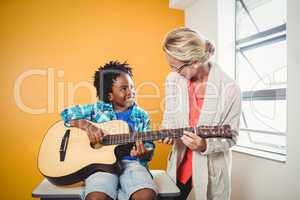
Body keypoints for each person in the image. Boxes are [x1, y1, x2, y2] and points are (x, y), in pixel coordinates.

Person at [160, 27, 241, 200]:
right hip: (181, 164)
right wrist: (167, 130)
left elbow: (232, 135)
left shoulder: (230, 89)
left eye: (176, 67)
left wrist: (205, 145)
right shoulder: (173, 80)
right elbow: (170, 116)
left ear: (195, 61)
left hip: (212, 166)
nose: (173, 72)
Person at [60, 61, 157, 200]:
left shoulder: (142, 115)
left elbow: (149, 150)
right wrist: (87, 125)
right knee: (96, 197)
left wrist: (144, 153)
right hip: (100, 166)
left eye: (132, 87)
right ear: (109, 95)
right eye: (124, 89)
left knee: (146, 195)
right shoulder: (96, 110)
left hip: (132, 164)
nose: (130, 92)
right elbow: (66, 115)